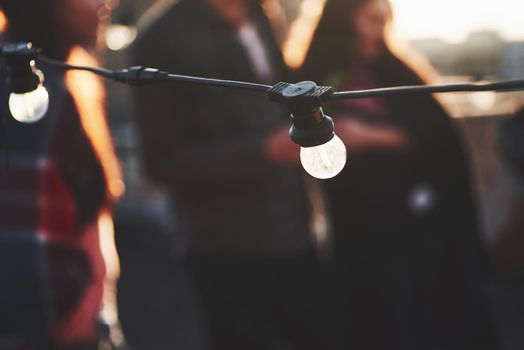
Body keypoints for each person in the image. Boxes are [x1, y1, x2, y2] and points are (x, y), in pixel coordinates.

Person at [131, 0, 345, 349]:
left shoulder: (262, 15)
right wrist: (263, 153)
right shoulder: (161, 37)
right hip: (226, 251)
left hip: (295, 234)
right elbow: (161, 161)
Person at [301, 0, 498, 349]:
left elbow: (434, 137)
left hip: (410, 220)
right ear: (346, 20)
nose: (378, 31)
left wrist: (367, 136)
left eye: (384, 21)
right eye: (371, 20)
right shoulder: (314, 77)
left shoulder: (396, 72)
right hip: (353, 220)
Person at [0, 0, 125, 349]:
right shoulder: (27, 88)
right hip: (44, 325)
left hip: (77, 312)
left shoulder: (67, 77)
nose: (105, 4)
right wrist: (73, 306)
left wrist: (96, 293)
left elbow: (88, 204)